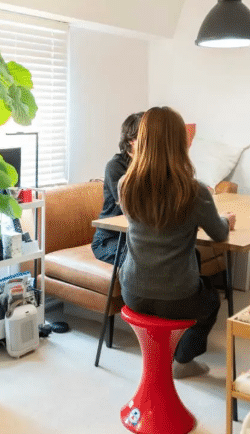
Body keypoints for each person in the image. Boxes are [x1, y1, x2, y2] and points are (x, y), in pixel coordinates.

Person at [118, 106, 236, 378]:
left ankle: (162, 355)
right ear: (180, 143)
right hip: (177, 296)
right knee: (212, 301)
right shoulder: (194, 191)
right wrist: (225, 220)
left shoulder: (126, 184)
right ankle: (182, 359)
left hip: (132, 291)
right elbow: (219, 234)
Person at [91, 111, 145, 265]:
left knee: (189, 254)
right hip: (111, 239)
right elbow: (133, 209)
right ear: (131, 140)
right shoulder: (116, 166)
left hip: (141, 237)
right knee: (143, 259)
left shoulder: (155, 166)